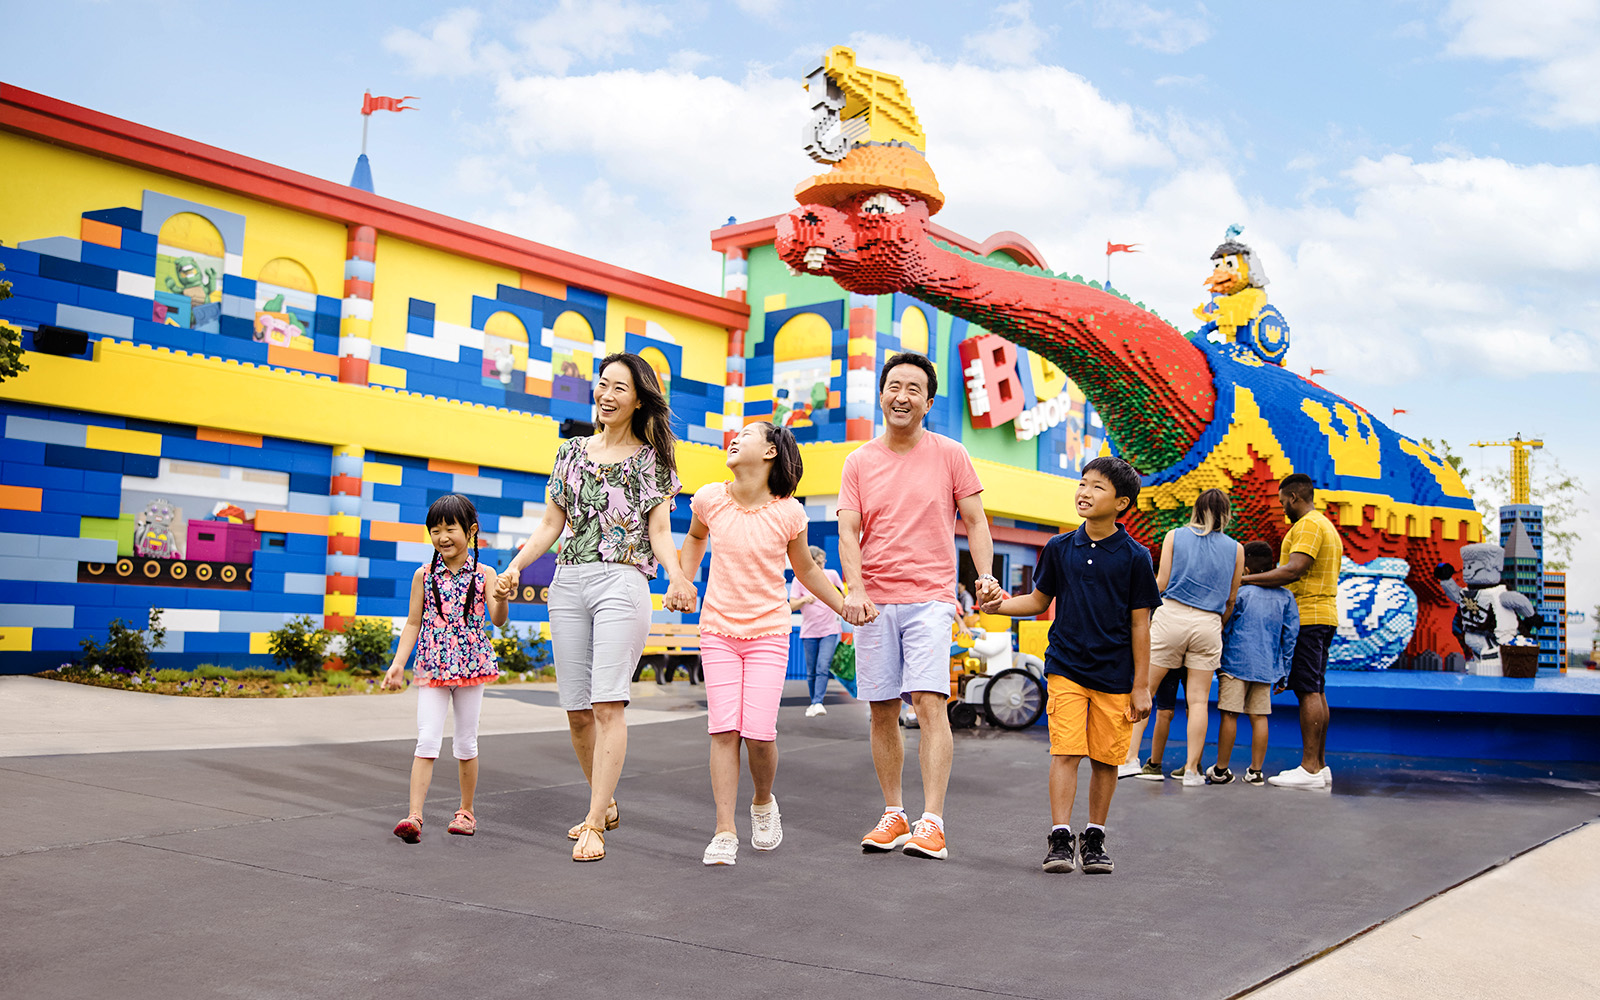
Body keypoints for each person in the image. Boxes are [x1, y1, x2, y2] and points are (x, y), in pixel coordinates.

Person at [495, 353, 697, 861]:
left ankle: (593, 822)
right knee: (577, 712)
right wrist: (516, 566)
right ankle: (603, 803)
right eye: (602, 385)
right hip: (568, 582)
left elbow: (658, 531)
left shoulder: (652, 459)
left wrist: (676, 574)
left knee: (608, 703)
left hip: (622, 582)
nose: (606, 396)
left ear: (638, 399)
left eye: (618, 389)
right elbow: (550, 524)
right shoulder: (570, 452)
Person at [839, 352, 1001, 861]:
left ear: (928, 402)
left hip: (931, 598)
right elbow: (847, 529)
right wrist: (856, 588)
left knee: (928, 702)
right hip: (875, 601)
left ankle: (933, 822)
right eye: (893, 386)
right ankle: (894, 813)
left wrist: (985, 577)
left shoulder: (951, 453)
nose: (901, 395)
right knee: (881, 709)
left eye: (913, 388)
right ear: (881, 395)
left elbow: (975, 521)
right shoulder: (859, 460)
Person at [679, 422, 849, 865]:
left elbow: (807, 572)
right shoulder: (710, 498)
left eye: (748, 434)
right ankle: (723, 830)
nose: (735, 438)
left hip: (768, 633)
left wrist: (844, 605)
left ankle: (761, 800)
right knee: (723, 729)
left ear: (771, 451)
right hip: (717, 629)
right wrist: (683, 578)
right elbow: (696, 537)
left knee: (758, 734)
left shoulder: (789, 513)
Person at [982, 456, 1160, 874]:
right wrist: (1000, 605)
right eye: (1082, 483)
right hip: (1066, 667)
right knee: (1065, 750)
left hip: (1115, 676)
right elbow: (1039, 601)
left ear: (1122, 503)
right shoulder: (1059, 548)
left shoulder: (1136, 557)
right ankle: (1060, 836)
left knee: (1106, 759)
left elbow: (1141, 625)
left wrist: (1141, 685)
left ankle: (1094, 836)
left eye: (1098, 487)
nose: (1084, 491)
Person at [383, 494, 509, 842]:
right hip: (433, 664)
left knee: (466, 742)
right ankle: (414, 816)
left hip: (471, 665)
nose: (442, 537)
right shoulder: (424, 575)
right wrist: (397, 665)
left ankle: (466, 812)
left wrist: (500, 596)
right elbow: (412, 623)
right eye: (434, 530)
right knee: (426, 738)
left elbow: (497, 621)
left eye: (449, 528)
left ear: (470, 531)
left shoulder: (485, 573)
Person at [1240, 473, 1343, 789]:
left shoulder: (1309, 525)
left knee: (1307, 690)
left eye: (1283, 499)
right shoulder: (1326, 525)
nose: (1282, 505)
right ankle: (1320, 765)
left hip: (1309, 617)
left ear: (1295, 497)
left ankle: (1309, 768)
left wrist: (1244, 580)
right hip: (1323, 615)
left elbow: (1293, 569)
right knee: (1316, 689)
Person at [1142, 489, 1244, 786]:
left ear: (1196, 509)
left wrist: (1143, 617)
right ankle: (1191, 771)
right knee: (1198, 701)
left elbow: (1159, 583)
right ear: (1226, 513)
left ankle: (1129, 758)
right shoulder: (1236, 549)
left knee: (1146, 692)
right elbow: (1231, 600)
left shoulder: (1175, 536)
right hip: (1209, 622)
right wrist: (1215, 622)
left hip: (1171, 615)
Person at [1211, 541, 1299, 784]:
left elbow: (1224, 627)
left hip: (1233, 663)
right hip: (1266, 666)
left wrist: (1218, 657)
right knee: (1259, 717)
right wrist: (1284, 670)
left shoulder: (1239, 593)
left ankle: (1221, 769)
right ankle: (1256, 771)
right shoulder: (1286, 597)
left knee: (1230, 714)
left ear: (1246, 570)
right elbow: (1290, 636)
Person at [790, 543, 846, 717]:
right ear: (811, 561)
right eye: (819, 563)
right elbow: (791, 605)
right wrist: (804, 600)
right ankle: (813, 702)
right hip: (809, 631)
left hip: (830, 629)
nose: (823, 566)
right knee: (811, 670)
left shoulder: (832, 574)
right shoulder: (799, 579)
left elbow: (845, 595)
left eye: (823, 562)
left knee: (823, 666)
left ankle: (818, 702)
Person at [1122, 669, 1182, 780]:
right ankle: (1193, 768)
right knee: (1196, 703)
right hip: (1197, 655)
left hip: (1166, 654)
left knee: (1145, 695)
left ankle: (1130, 758)